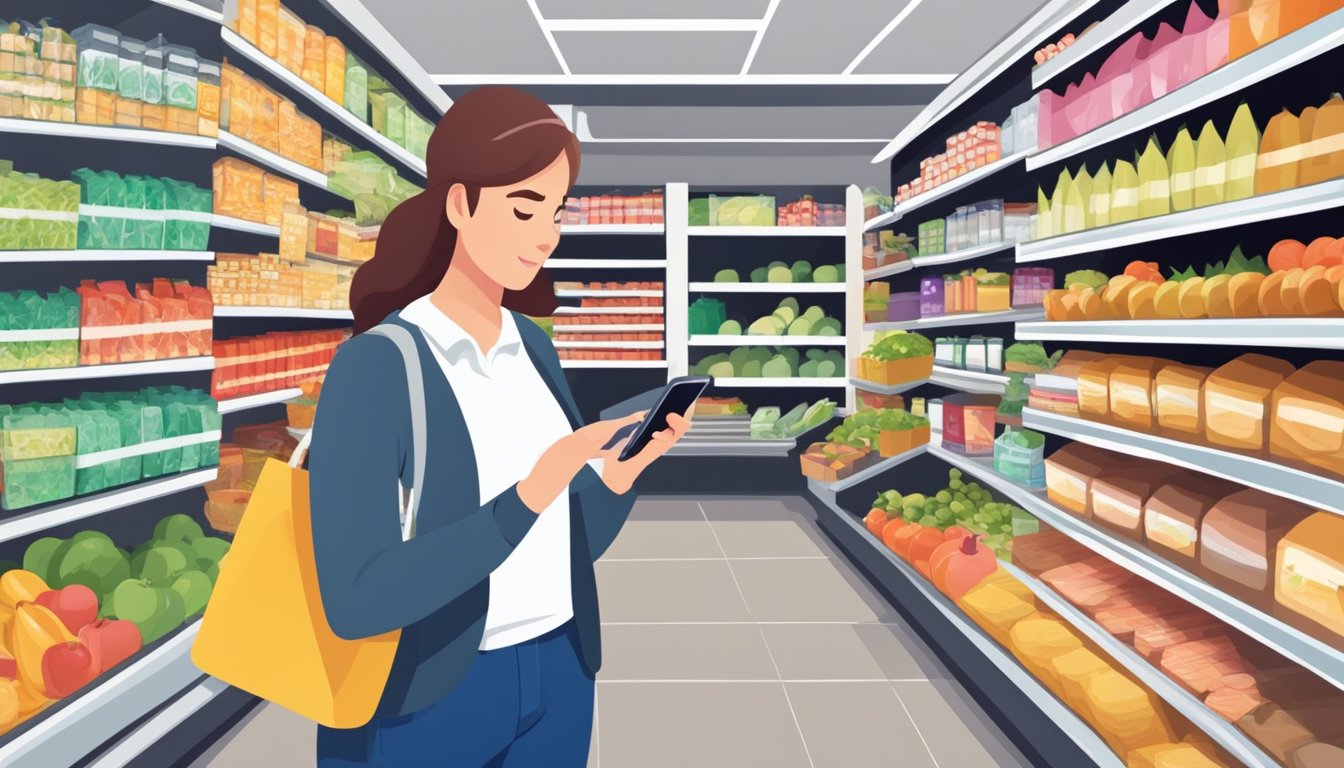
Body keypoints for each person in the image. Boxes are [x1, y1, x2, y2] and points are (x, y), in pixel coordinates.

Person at [308, 86, 688, 767]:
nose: (546, 233)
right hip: (433, 692)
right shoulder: (377, 367)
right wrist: (528, 495)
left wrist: (618, 477)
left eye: (556, 210)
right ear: (459, 204)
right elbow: (357, 598)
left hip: (560, 669)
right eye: (522, 207)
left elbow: (569, 545)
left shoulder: (534, 348)